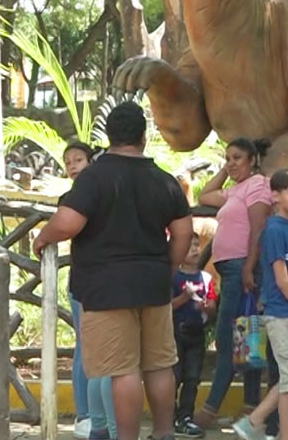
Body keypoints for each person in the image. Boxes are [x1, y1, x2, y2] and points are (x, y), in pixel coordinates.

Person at [34, 101, 194, 440]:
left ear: (108, 135)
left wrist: (42, 238)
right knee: (159, 363)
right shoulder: (162, 179)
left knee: (123, 371)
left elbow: (68, 222)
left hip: (106, 288)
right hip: (152, 283)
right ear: (144, 136)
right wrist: (169, 265)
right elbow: (183, 231)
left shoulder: (95, 177)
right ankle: (165, 433)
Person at [232, 169, 288, 440]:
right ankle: (264, 425)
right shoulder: (274, 230)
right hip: (284, 314)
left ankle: (264, 426)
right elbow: (282, 280)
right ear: (275, 195)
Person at [195, 139, 273, 428]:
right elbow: (206, 195)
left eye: (237, 157)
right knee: (247, 336)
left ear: (253, 159)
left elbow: (258, 228)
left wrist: (250, 267)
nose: (231, 162)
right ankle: (249, 407)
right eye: (227, 157)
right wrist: (226, 170)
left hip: (243, 268)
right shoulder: (236, 190)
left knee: (229, 339)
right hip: (231, 270)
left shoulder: (258, 186)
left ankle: (210, 410)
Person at [63, 141, 98, 439]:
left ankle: (97, 414)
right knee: (84, 347)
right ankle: (83, 413)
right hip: (81, 282)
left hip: (104, 281)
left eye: (78, 159)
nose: (73, 165)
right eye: (68, 162)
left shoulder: (101, 194)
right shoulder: (68, 198)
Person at [173, 237, 216, 438]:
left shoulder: (206, 279)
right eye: (189, 246)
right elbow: (165, 307)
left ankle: (186, 417)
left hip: (197, 333)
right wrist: (184, 297)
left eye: (197, 245)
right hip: (175, 332)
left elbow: (213, 306)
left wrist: (208, 307)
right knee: (174, 376)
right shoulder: (172, 277)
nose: (195, 250)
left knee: (192, 377)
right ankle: (170, 415)